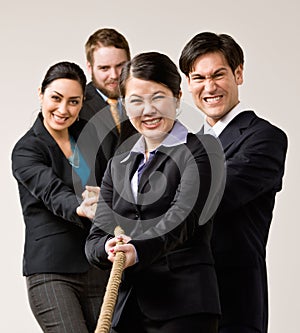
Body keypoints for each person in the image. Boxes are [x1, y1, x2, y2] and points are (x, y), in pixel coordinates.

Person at [85, 51, 226, 333]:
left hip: (184, 309)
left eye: (157, 97)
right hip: (126, 311)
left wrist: (136, 249)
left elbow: (182, 219)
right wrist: (108, 248)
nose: (147, 111)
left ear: (176, 97)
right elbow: (95, 238)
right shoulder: (118, 164)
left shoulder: (202, 152)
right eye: (136, 101)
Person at [179, 32, 288, 333]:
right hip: (182, 303)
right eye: (198, 77)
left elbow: (215, 195)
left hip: (233, 302)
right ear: (188, 84)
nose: (209, 87)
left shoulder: (265, 138)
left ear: (238, 73)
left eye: (218, 75)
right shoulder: (185, 147)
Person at [11, 61, 106, 333]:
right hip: (53, 272)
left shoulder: (88, 135)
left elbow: (111, 179)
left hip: (97, 265)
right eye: (56, 98)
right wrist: (83, 207)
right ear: (41, 94)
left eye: (73, 102)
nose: (63, 110)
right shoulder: (26, 150)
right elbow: (52, 192)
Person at [80, 27, 138, 181]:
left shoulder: (143, 100)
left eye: (120, 66)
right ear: (90, 67)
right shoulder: (77, 106)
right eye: (104, 68)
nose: (114, 75)